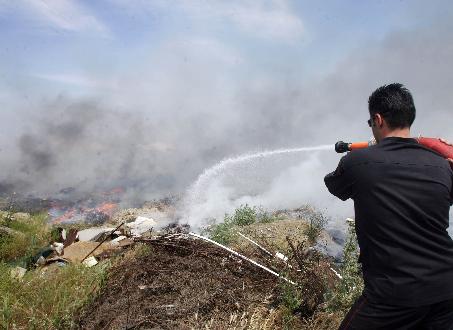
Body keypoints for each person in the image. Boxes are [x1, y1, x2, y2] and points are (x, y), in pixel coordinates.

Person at [324, 83, 453, 329]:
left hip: (393, 296)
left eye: (370, 123)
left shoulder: (357, 162)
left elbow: (334, 185)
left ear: (378, 119)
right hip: (447, 290)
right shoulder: (442, 165)